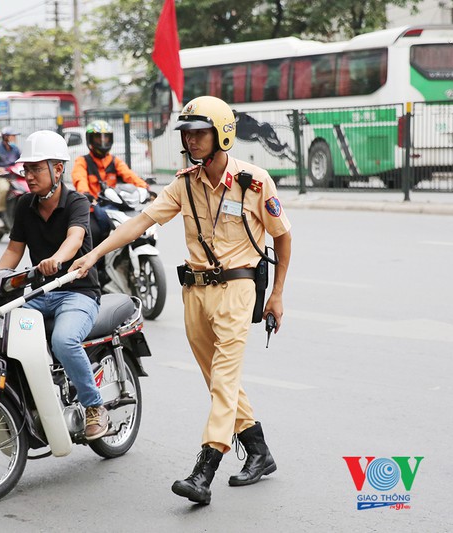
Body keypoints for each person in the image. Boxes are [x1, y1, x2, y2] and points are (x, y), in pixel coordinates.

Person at [71, 96, 292, 505]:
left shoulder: (255, 181)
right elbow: (141, 221)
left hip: (239, 289)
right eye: (187, 134)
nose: (191, 141)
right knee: (217, 381)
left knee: (224, 379)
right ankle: (259, 452)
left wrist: (276, 294)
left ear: (222, 134)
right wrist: (95, 253)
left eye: (200, 133)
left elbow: (282, 235)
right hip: (195, 293)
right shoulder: (184, 183)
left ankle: (204, 470)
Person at [0, 130, 109, 440]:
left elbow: (75, 238)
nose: (29, 175)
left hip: (77, 291)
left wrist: (57, 261)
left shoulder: (76, 201)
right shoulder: (24, 204)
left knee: (64, 341)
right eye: (27, 169)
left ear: (57, 170)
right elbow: (14, 249)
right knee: (1, 329)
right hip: (39, 293)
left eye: (36, 168)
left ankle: (94, 407)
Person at [71, 120, 150, 245]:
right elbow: (79, 178)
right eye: (98, 138)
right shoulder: (82, 161)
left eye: (106, 138)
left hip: (113, 206)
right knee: (93, 232)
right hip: (92, 207)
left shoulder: (114, 161)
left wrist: (145, 188)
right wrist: (84, 193)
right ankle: (94, 263)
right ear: (90, 140)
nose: (103, 142)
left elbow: (129, 175)